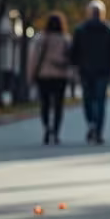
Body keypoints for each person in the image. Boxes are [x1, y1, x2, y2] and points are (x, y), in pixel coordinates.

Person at [71, 0, 110, 144]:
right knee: (100, 101)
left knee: (88, 100)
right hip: (103, 70)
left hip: (86, 70)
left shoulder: (80, 30)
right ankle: (98, 130)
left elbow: (74, 52)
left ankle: (91, 123)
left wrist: (75, 66)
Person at [28, 12, 71, 145]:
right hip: (60, 76)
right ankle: (56, 132)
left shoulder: (41, 38)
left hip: (44, 75)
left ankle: (47, 127)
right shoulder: (66, 39)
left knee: (45, 104)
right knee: (58, 106)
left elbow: (33, 59)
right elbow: (71, 58)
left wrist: (30, 75)